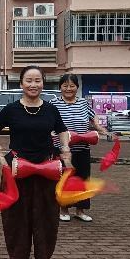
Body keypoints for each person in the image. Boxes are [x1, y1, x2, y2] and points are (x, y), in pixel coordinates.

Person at [0, 65, 72, 259]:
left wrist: (65, 147)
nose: (33, 85)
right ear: (21, 84)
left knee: (47, 217)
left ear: (43, 83)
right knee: (16, 217)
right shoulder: (12, 109)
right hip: (17, 168)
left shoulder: (51, 109)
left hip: (47, 168)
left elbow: (62, 130)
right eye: (29, 80)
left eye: (37, 80)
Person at [51, 73, 110, 223]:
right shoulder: (54, 103)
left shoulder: (83, 103)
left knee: (83, 180)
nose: (68, 89)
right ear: (60, 87)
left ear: (77, 87)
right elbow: (48, 121)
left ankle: (80, 210)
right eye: (65, 86)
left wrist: (99, 127)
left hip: (82, 148)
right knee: (65, 179)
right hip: (62, 149)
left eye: (72, 86)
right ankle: (64, 209)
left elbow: (93, 116)